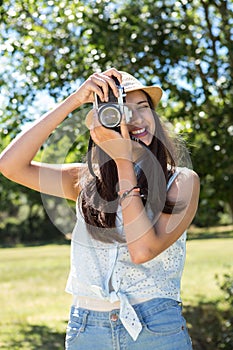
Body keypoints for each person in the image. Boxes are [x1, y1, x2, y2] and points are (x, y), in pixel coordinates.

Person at [0, 68, 200, 349]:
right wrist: (73, 101)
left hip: (156, 328)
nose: (137, 119)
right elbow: (10, 165)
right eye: (122, 111)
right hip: (87, 327)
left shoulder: (181, 181)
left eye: (143, 107)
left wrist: (122, 161)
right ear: (105, 121)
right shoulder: (84, 181)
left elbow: (142, 250)